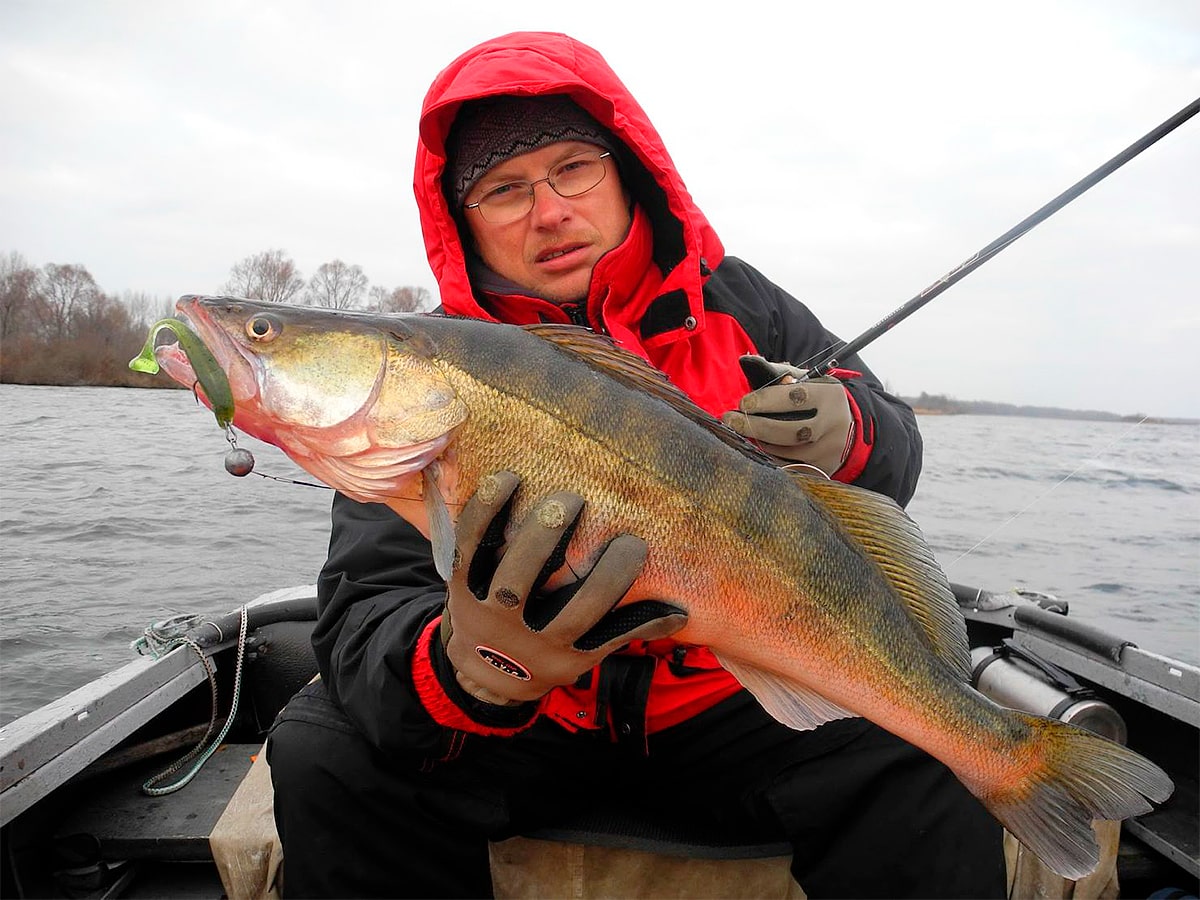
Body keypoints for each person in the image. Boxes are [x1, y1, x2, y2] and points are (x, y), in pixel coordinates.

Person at [267, 31, 1006, 899]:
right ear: (462, 222)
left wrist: (853, 432)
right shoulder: (428, 374)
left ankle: (1016, 766)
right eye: (503, 190)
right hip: (529, 727)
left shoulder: (745, 305)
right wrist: (464, 666)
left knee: (916, 755)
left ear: (626, 172)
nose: (548, 210)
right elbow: (365, 620)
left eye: (573, 168)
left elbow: (892, 465)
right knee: (324, 751)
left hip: (733, 712)